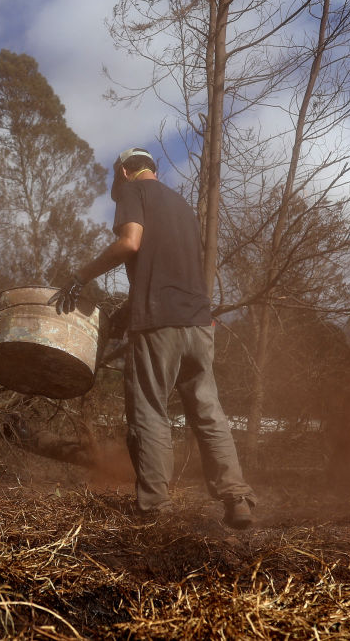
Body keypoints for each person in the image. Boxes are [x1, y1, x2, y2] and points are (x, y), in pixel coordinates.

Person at [49, 147, 257, 529]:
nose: (115, 188)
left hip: (159, 323)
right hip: (197, 322)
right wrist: (125, 313)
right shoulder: (182, 206)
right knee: (208, 412)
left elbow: (130, 243)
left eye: (115, 179)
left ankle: (156, 508)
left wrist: (81, 276)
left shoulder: (133, 192)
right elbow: (169, 272)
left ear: (126, 171)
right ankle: (237, 497)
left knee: (149, 411)